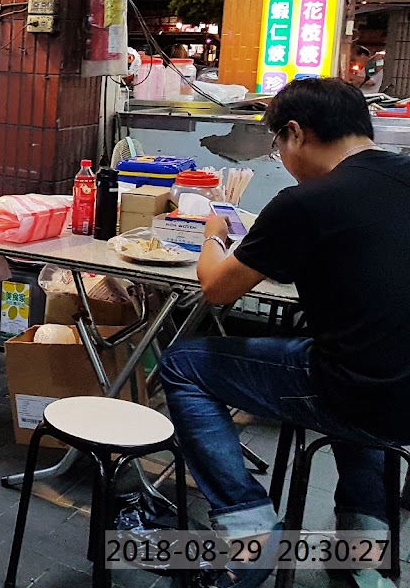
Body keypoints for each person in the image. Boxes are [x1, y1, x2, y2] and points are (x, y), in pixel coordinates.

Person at [160, 78, 410, 588]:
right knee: (370, 358)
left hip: (357, 391)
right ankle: (363, 552)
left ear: (295, 133)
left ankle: (246, 524)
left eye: (277, 144)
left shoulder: (306, 202)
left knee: (184, 363)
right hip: (403, 395)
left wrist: (212, 236)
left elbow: (217, 290)